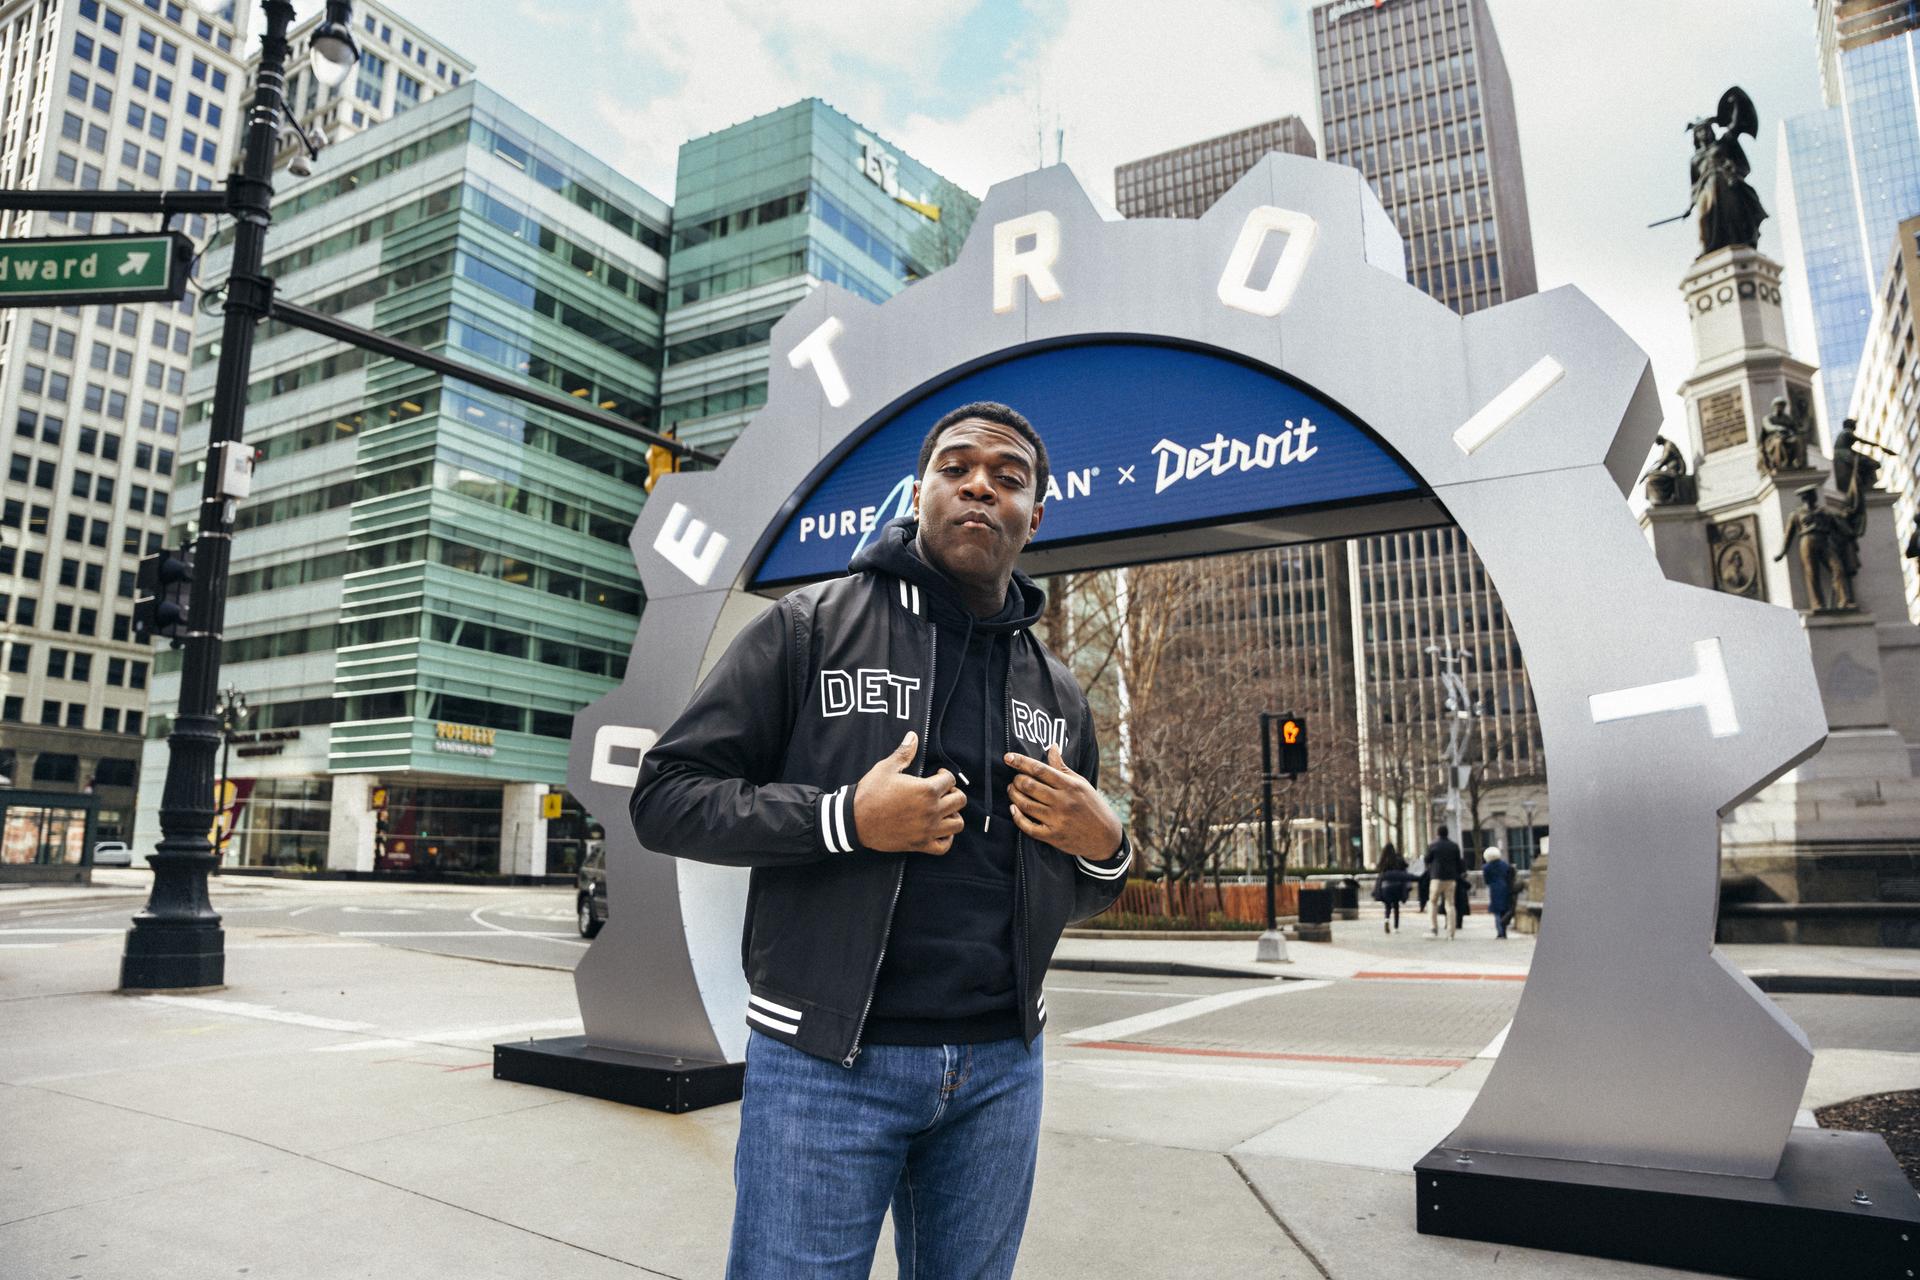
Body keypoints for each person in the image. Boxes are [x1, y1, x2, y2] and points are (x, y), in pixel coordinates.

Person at [630, 401, 1131, 1280]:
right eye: (957, 466)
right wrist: (844, 821)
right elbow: (666, 798)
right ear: (921, 490)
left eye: (1008, 477)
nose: (981, 483)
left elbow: (1072, 884)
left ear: (1035, 516)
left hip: (1000, 1071)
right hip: (824, 1061)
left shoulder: (1057, 691)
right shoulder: (810, 627)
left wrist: (1105, 846)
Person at [1426, 825, 1463, 939]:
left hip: (1436, 877)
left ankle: (1433, 928)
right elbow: (1459, 862)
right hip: (1450, 878)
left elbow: (1427, 859)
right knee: (1450, 904)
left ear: (1437, 833)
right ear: (1447, 833)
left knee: (1432, 902)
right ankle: (1451, 932)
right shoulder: (1454, 846)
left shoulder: (1433, 845)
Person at [1371, 843, 1414, 933]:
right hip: (1397, 885)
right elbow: (1405, 867)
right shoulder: (1397, 859)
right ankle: (1396, 927)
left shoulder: (1383, 860)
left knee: (1387, 906)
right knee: (1396, 906)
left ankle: (1386, 919)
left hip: (1386, 886)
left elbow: (1379, 870)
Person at [1482, 845, 1514, 940]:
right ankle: (1504, 931)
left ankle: (1500, 932)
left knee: (1497, 911)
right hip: (1505, 888)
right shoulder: (1504, 865)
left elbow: (1486, 880)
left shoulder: (1486, 867)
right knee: (1504, 910)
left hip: (1494, 889)